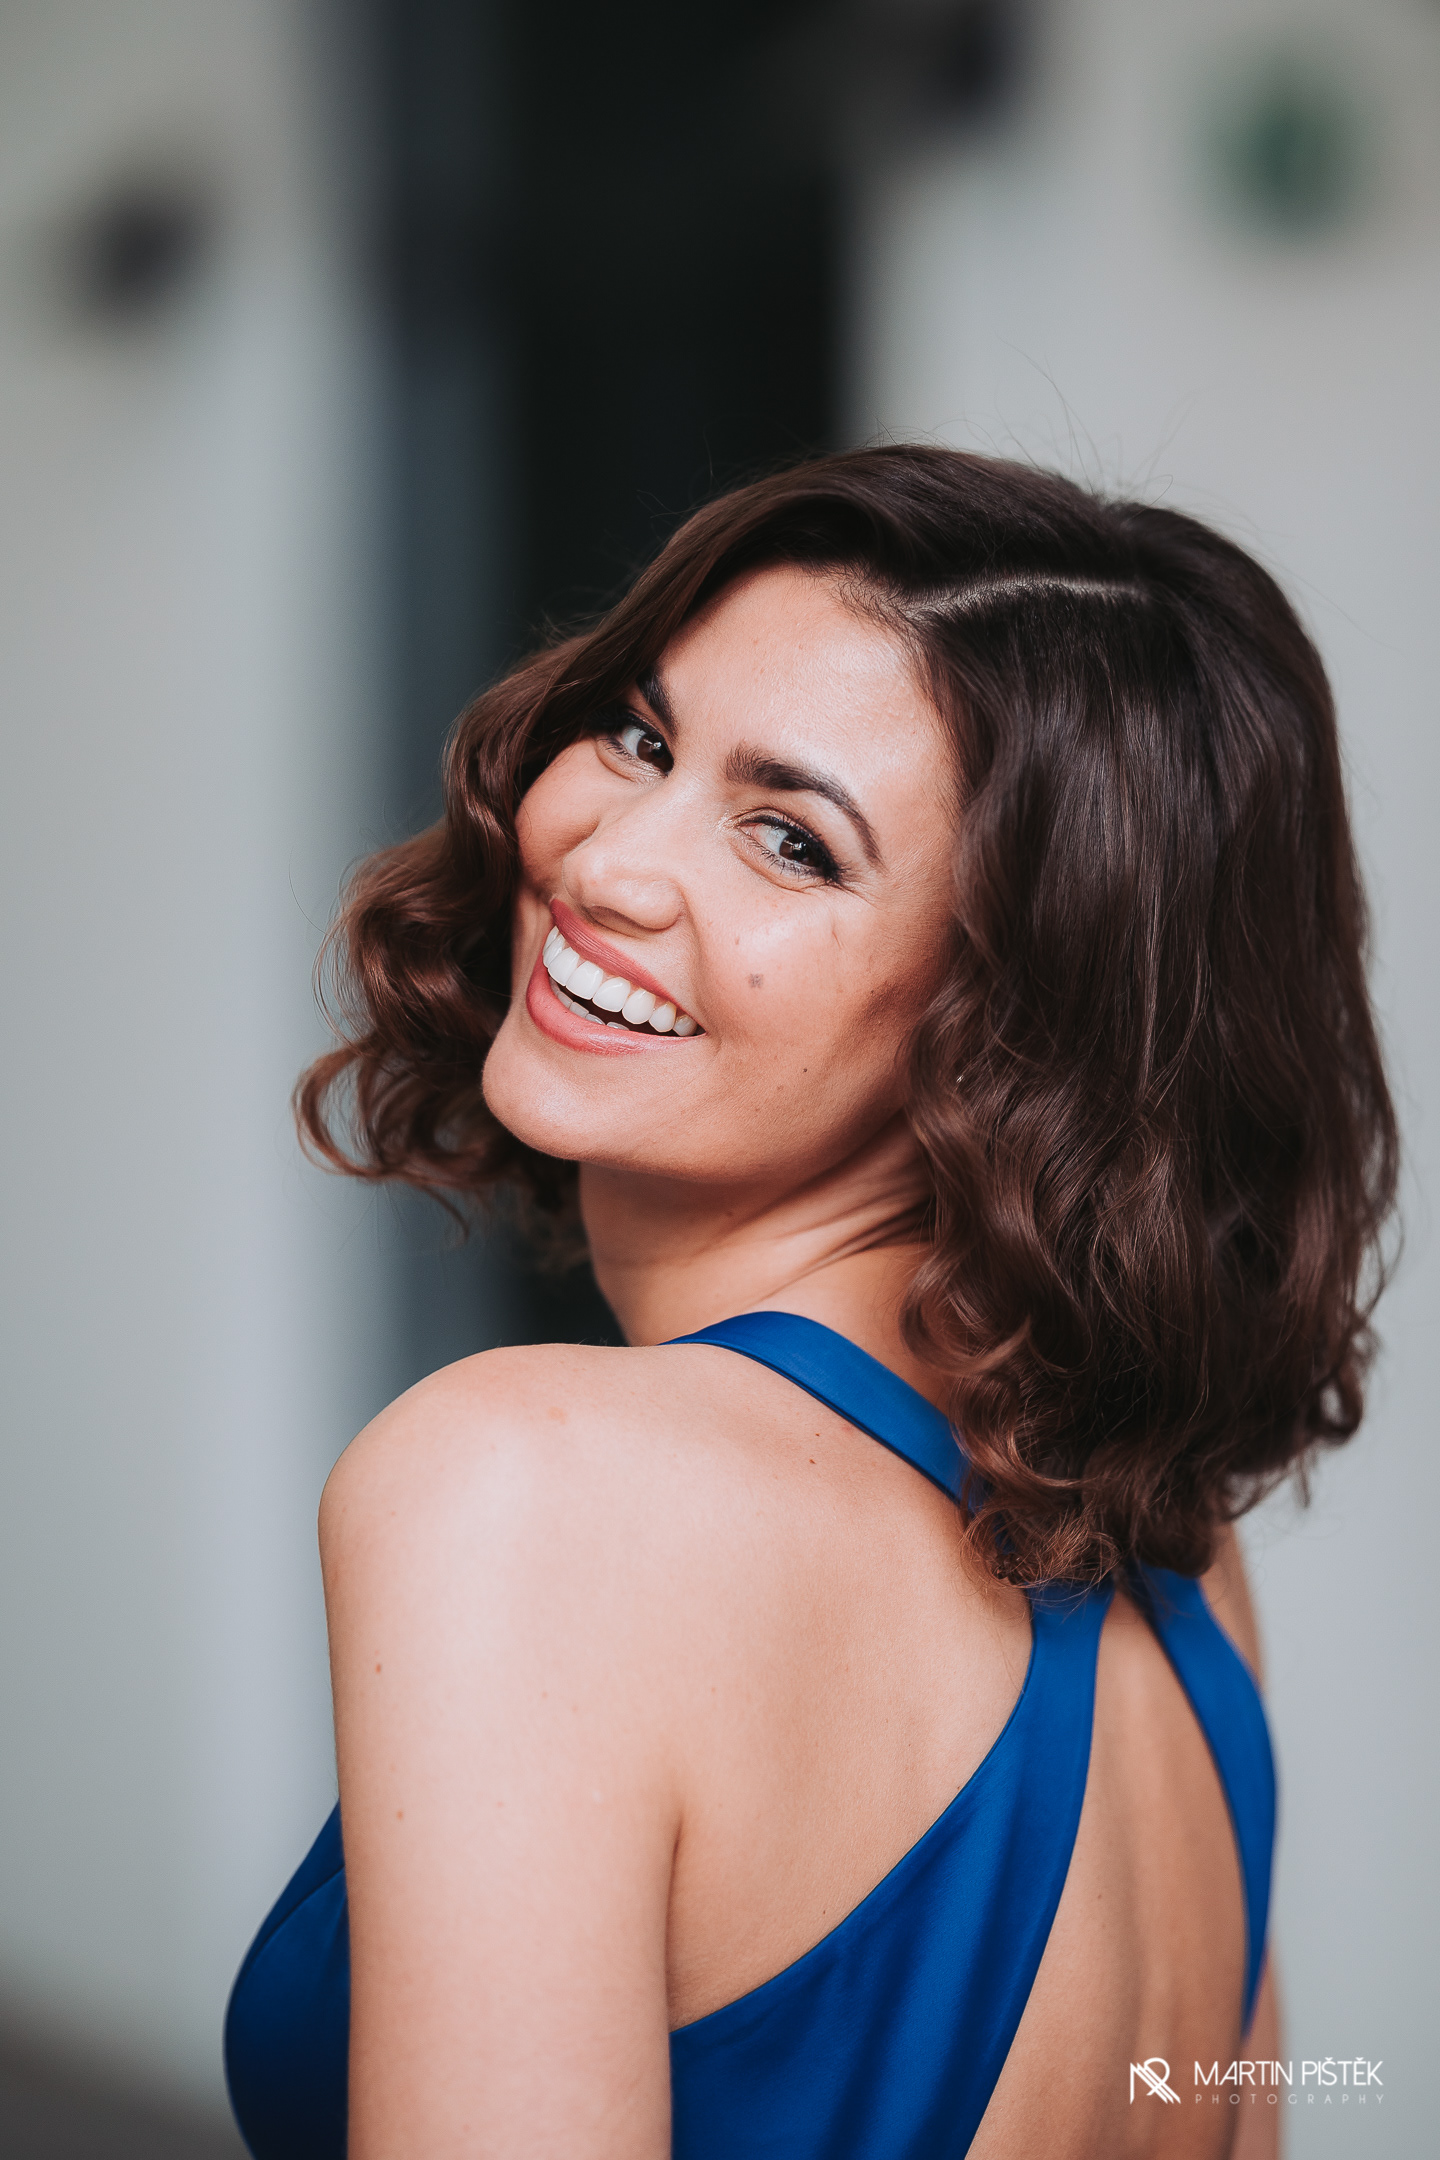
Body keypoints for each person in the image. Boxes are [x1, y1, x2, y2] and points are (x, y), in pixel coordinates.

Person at [223, 447, 1397, 2159]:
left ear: (1012, 1024)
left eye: (791, 841)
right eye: (641, 736)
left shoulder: (525, 1490)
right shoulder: (1180, 1568)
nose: (608, 861)